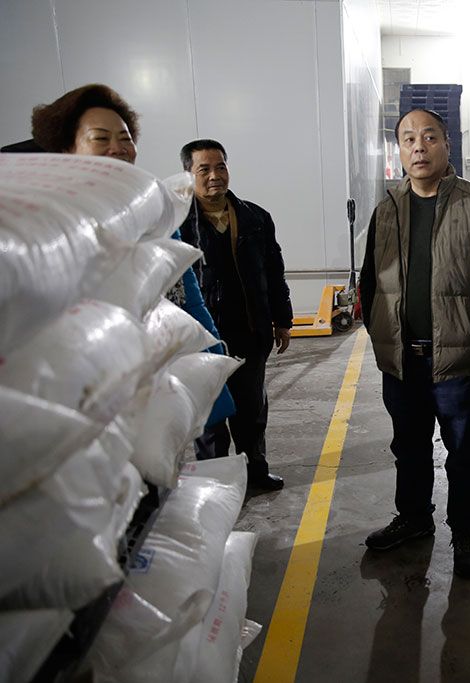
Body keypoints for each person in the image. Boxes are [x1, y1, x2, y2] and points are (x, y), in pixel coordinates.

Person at [361, 109, 470, 578]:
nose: (419, 147)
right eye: (408, 139)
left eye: (429, 137)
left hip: (454, 360)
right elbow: (370, 280)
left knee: (462, 452)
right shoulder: (387, 209)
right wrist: (380, 330)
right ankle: (413, 518)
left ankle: (465, 532)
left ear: (447, 144)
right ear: (400, 150)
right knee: (408, 448)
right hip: (401, 359)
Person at [25, 85, 234, 426]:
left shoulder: (154, 211)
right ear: (66, 148)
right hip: (81, 387)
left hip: (152, 379)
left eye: (125, 137)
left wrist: (212, 363)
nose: (118, 147)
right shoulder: (47, 220)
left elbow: (188, 298)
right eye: (100, 137)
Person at [179, 139, 293, 493]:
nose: (215, 175)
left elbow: (273, 272)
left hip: (249, 331)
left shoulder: (255, 217)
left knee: (251, 410)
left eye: (221, 166)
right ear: (188, 175)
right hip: (202, 337)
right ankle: (216, 484)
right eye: (204, 169)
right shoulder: (178, 224)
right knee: (210, 417)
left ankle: (255, 473)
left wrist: (282, 320)